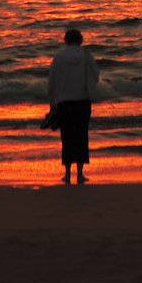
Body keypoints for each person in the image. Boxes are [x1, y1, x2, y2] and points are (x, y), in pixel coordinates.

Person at [48, 26, 99, 184]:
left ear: (66, 40)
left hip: (64, 102)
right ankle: (80, 173)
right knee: (82, 136)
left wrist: (52, 103)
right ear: (80, 40)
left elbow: (52, 81)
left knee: (67, 137)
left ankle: (68, 173)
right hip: (83, 100)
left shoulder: (59, 56)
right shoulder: (85, 54)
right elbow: (96, 75)